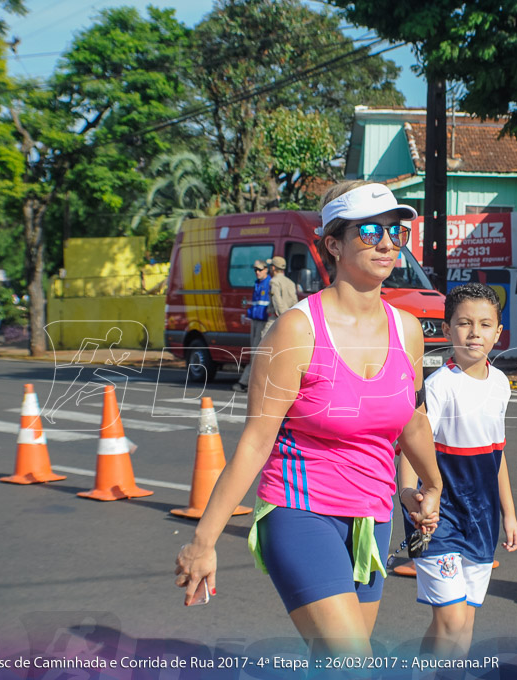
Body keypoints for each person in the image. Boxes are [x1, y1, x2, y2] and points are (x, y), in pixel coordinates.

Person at [175, 180, 443, 658]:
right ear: (334, 244)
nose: (386, 243)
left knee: (334, 663)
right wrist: (203, 540)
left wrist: (431, 484)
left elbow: (413, 420)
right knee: (353, 660)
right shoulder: (296, 331)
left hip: (372, 518)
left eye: (395, 232)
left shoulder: (407, 330)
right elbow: (256, 443)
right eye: (369, 231)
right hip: (302, 512)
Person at [397, 282, 517, 659]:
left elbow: (495, 454)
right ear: (447, 329)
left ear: (498, 333)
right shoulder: (438, 387)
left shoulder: (500, 384)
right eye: (464, 323)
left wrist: (510, 514)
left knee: (462, 624)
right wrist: (408, 498)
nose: (474, 333)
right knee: (451, 622)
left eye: (485, 325)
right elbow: (409, 448)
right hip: (437, 518)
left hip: (483, 519)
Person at [234, 260, 271, 392]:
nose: (257, 272)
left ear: (266, 270)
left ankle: (246, 382)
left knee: (257, 353)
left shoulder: (269, 283)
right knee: (254, 352)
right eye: (255, 270)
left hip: (263, 322)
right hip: (256, 321)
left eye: (260, 269)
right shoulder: (258, 284)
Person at [267, 255, 298, 332]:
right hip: (290, 319)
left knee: (263, 342)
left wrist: (282, 317)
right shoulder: (291, 282)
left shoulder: (274, 282)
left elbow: (277, 302)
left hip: (276, 319)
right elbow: (294, 301)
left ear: (273, 268)